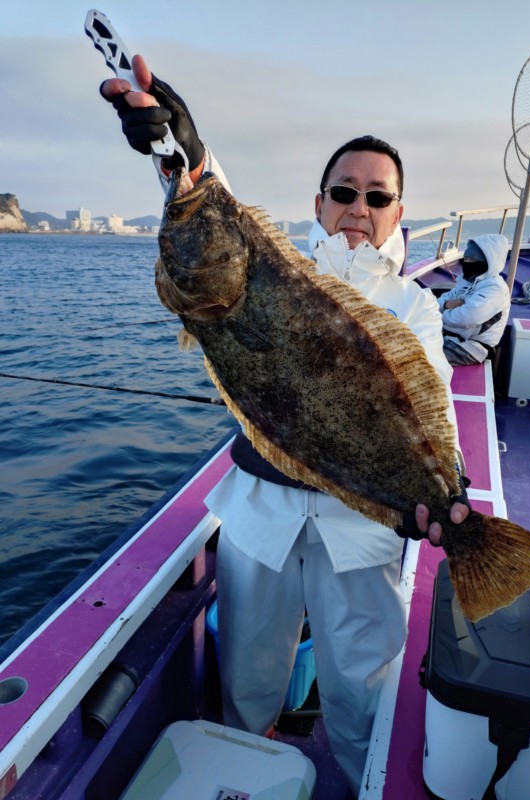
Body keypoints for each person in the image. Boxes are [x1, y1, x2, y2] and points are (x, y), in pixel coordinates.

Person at [100, 57, 470, 797]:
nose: (358, 207)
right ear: (319, 202)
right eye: (344, 192)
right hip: (260, 517)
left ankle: (360, 784)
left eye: (377, 196)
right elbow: (222, 225)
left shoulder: (414, 306)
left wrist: (445, 491)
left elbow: (431, 400)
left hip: (360, 530)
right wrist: (182, 151)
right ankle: (248, 774)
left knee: (361, 694)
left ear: (397, 212)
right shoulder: (279, 269)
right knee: (246, 679)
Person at [438, 234, 511, 366]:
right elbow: (440, 301)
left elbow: (466, 317)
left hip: (472, 348)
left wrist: (439, 314)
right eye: (465, 259)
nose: (466, 263)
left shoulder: (495, 288)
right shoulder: (467, 281)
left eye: (471, 259)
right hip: (447, 336)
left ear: (487, 260)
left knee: (418, 358)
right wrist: (447, 304)